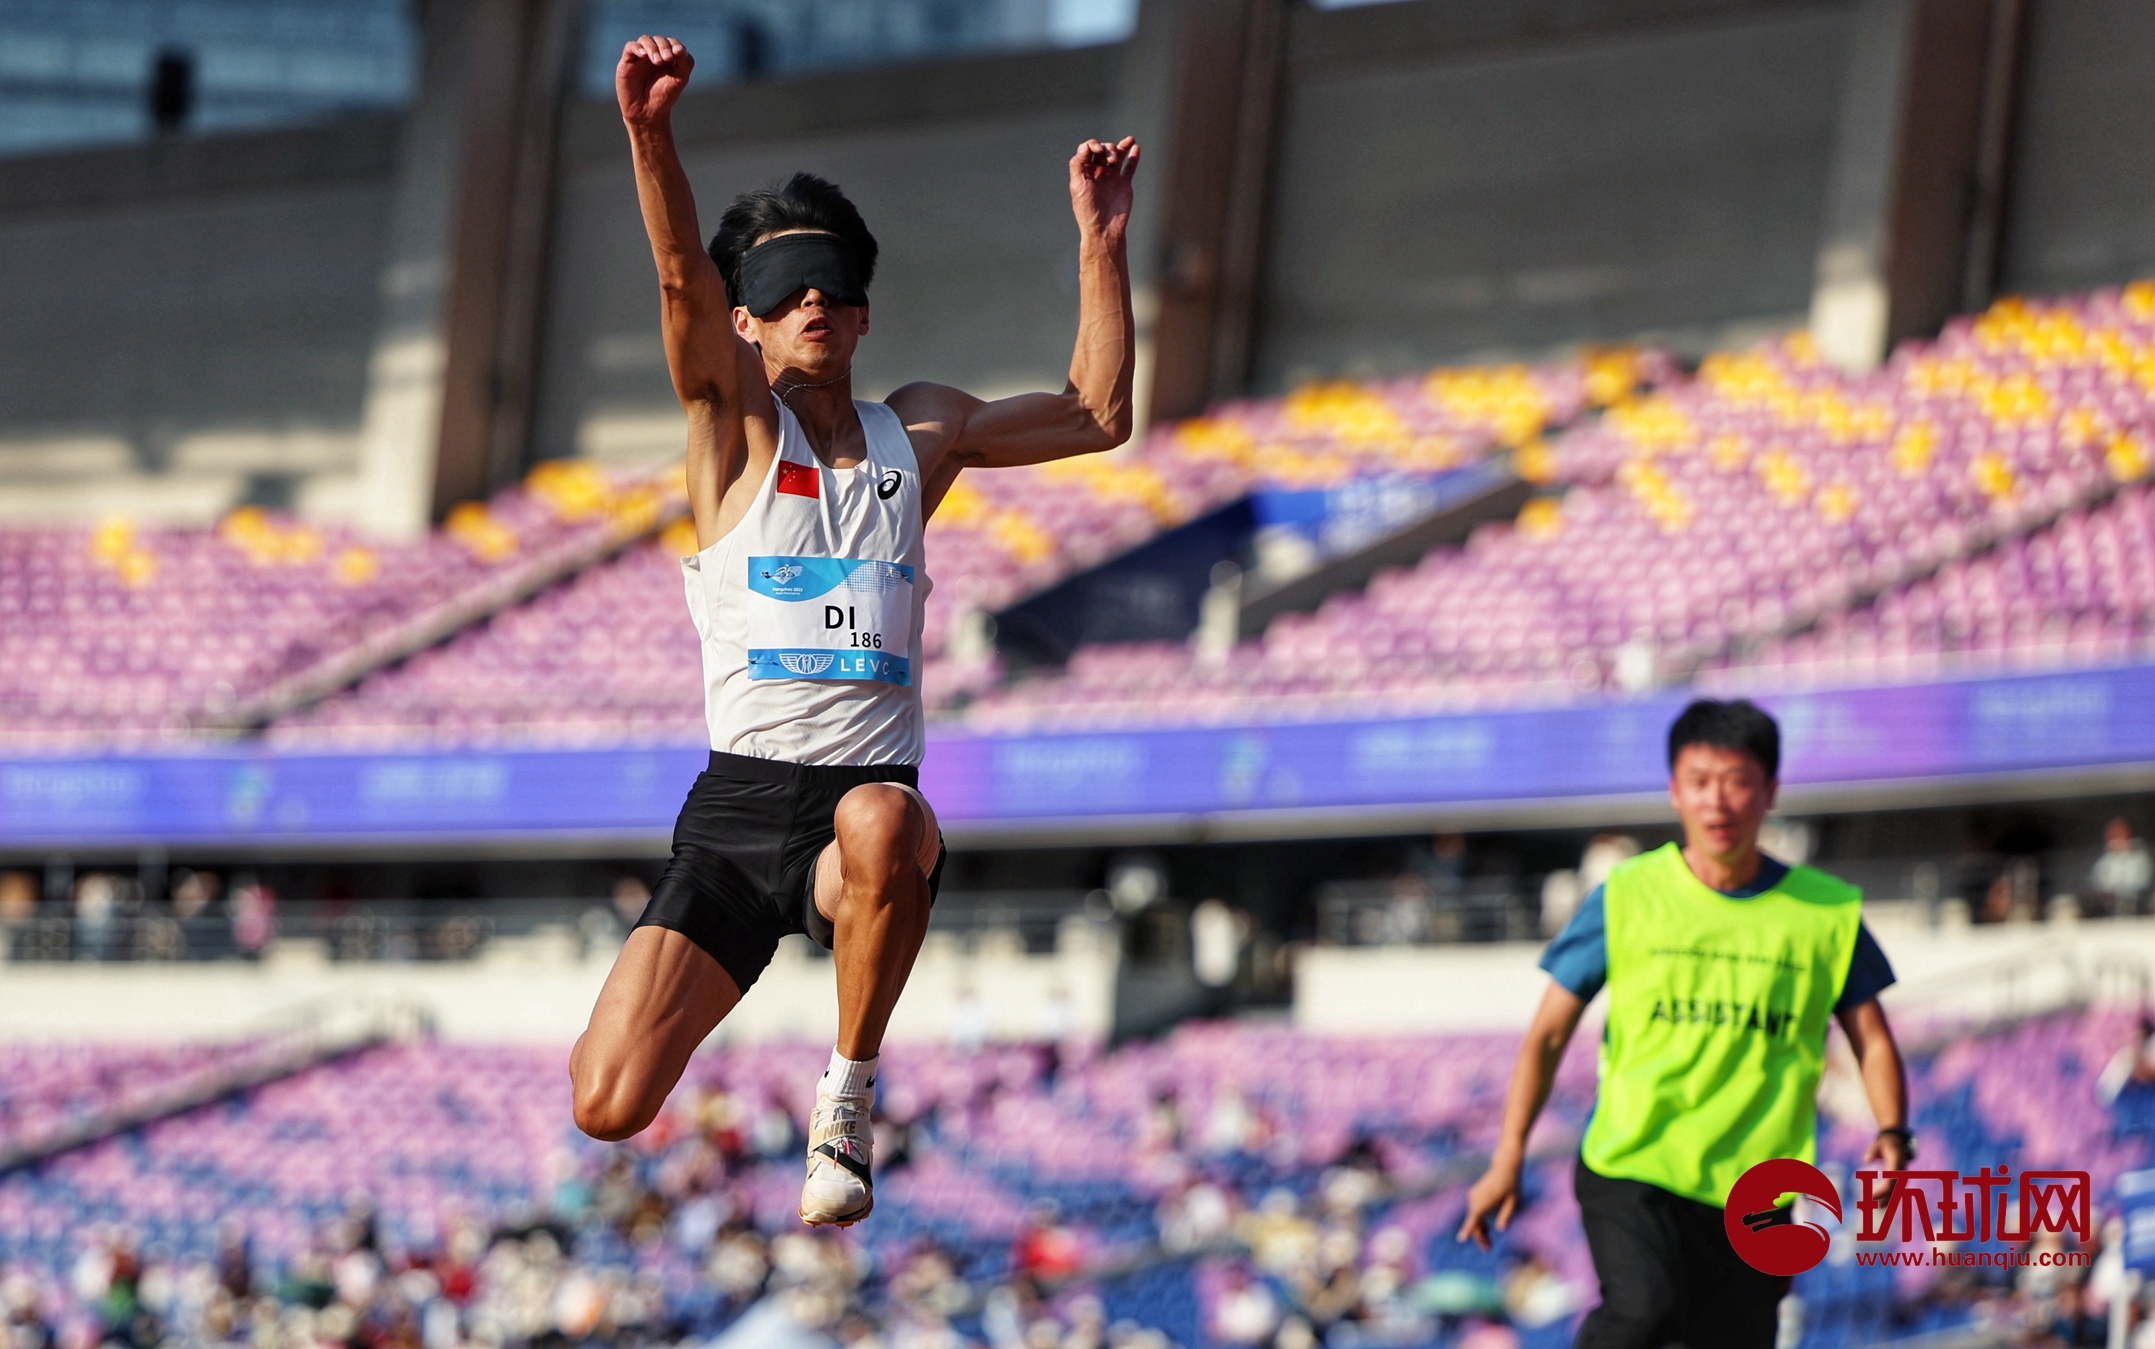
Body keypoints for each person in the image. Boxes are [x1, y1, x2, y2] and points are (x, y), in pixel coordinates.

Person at [568, 33, 1140, 1229]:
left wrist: (1099, 243)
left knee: (884, 814)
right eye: (781, 294)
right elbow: (679, 285)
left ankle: (848, 1092)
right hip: (733, 819)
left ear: (864, 312)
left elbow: (1097, 413)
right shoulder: (731, 436)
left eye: (830, 284)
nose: (810, 303)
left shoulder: (917, 436)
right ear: (749, 326)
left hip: (857, 819)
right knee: (607, 1102)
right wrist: (647, 132)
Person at [1456, 699, 1910, 1348]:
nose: (1716, 801)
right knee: (1643, 1310)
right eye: (1699, 781)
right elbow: (1547, 1034)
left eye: (1736, 780)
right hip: (1635, 1159)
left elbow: (1872, 1038)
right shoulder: (1626, 895)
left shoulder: (1824, 912)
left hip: (1758, 1184)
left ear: (1769, 790)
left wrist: (1892, 1130)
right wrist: (1506, 1159)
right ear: (1673, 791)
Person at [2090, 817, 2152, 917]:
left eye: (2120, 833)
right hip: (2109, 905)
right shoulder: (2105, 860)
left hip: (2136, 903)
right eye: (2113, 834)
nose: (2116, 837)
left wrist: (2124, 891)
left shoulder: (2139, 857)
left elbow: (2143, 880)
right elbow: (2098, 882)